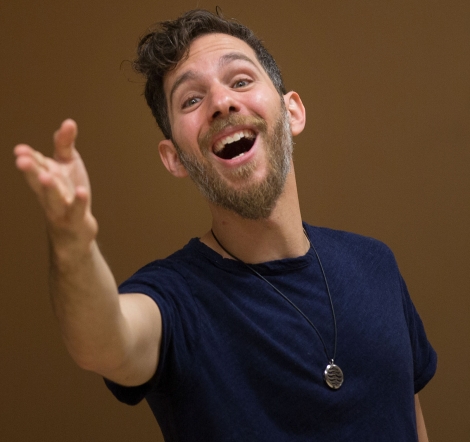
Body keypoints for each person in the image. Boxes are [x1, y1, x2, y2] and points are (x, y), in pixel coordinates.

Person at [14, 9, 436, 442]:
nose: (221, 103)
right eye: (191, 100)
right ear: (174, 157)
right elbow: (103, 341)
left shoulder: (376, 264)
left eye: (240, 80)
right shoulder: (174, 301)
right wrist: (72, 244)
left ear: (292, 112)